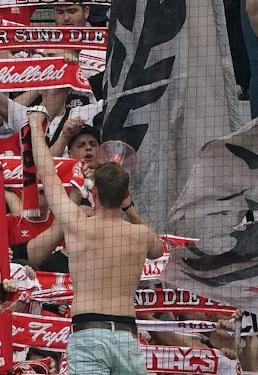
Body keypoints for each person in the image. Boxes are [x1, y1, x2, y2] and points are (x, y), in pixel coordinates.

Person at [27, 105, 164, 375]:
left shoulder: (78, 225)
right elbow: (158, 250)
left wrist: (35, 125)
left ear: (95, 192)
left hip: (88, 334)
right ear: (124, 194)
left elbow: (47, 173)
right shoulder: (140, 235)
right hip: (126, 337)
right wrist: (129, 208)